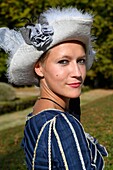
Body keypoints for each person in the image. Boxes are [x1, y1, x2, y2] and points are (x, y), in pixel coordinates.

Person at [0, 7, 108, 170]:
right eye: (63, 61)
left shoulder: (37, 113)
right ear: (39, 68)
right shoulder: (62, 124)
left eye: (81, 61)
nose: (77, 73)